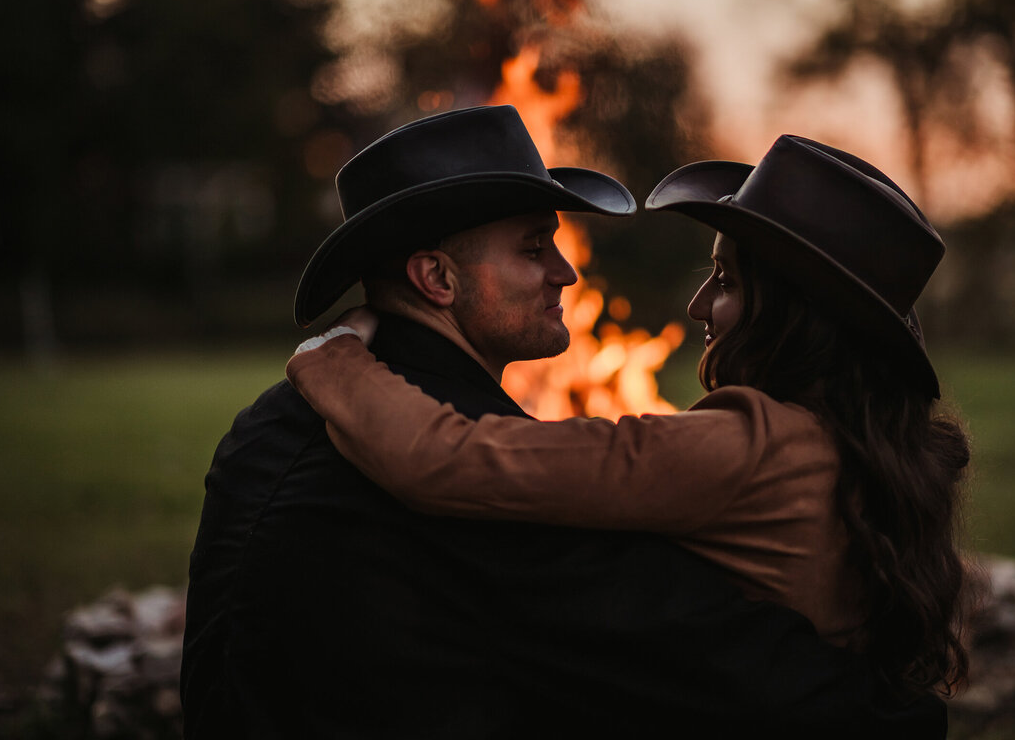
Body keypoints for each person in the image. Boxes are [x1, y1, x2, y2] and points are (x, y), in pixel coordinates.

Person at [182, 108, 947, 739]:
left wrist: (326, 353)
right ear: (437, 278)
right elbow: (707, 656)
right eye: (533, 247)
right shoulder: (483, 491)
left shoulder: (258, 431)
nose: (567, 272)